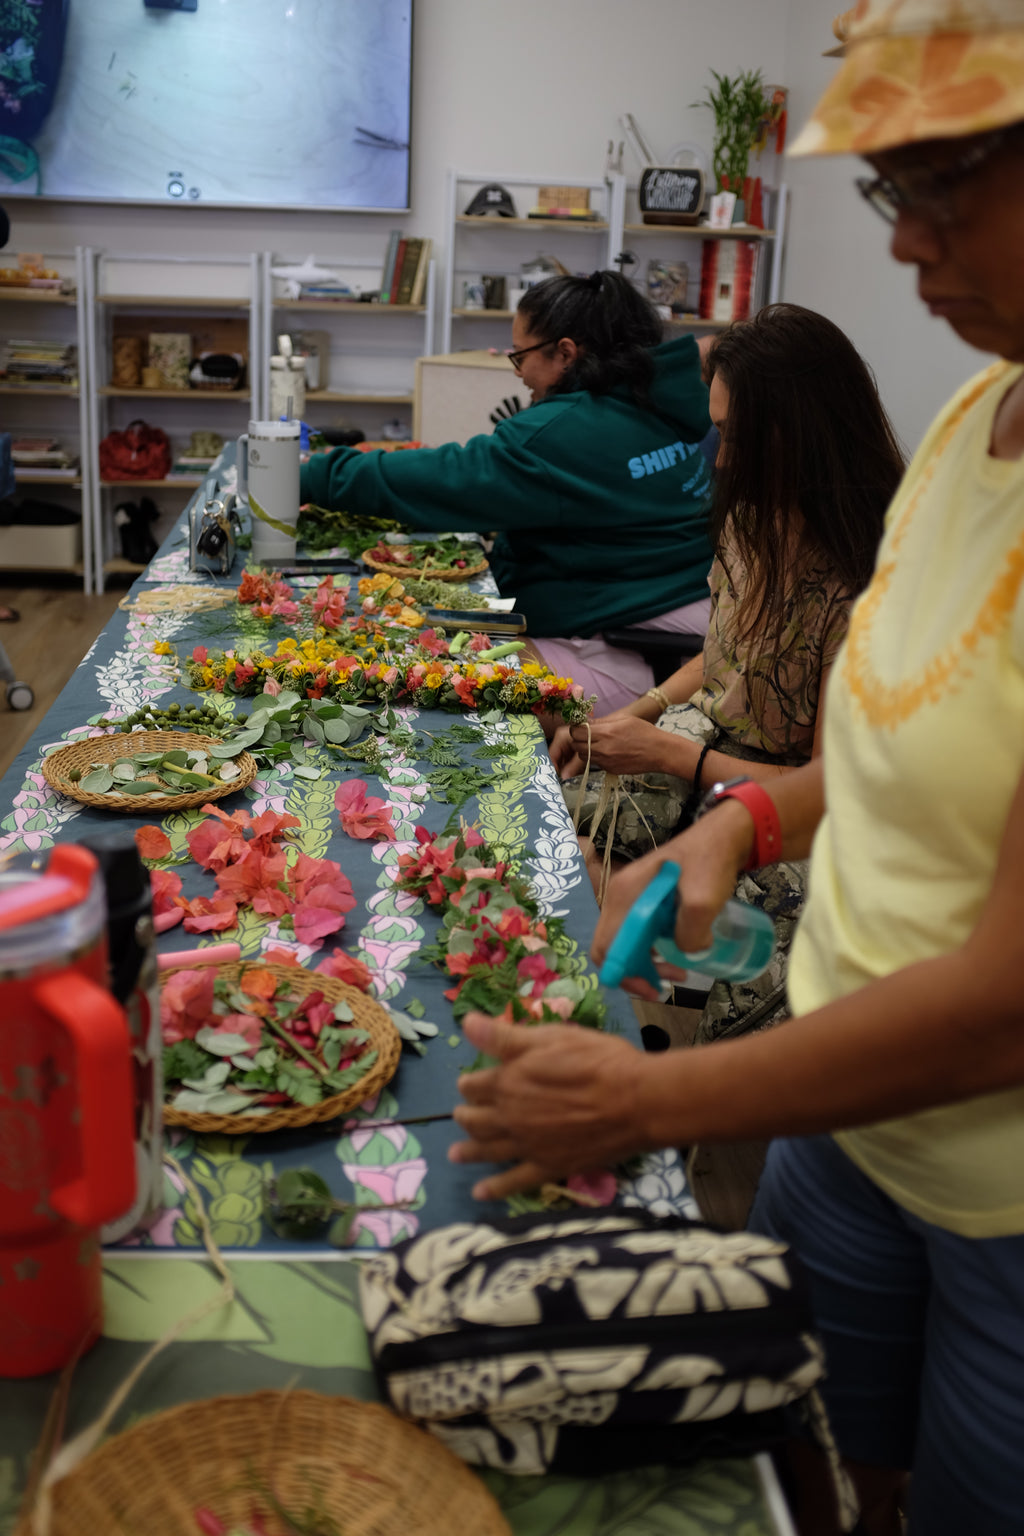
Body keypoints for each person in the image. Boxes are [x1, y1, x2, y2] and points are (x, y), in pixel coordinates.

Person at [450, 4, 1024, 1532]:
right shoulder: (977, 417)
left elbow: (1005, 996)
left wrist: (650, 1103)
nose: (910, 240)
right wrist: (747, 819)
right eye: (893, 191)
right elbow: (886, 741)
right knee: (818, 1459)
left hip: (1000, 1189)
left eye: (951, 181)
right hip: (850, 1119)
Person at [300, 271, 716, 711]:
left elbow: (447, 478)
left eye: (520, 357)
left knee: (422, 675)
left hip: (639, 649)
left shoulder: (564, 432)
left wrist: (315, 475)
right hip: (676, 616)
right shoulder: (654, 397)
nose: (519, 374)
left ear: (565, 353)